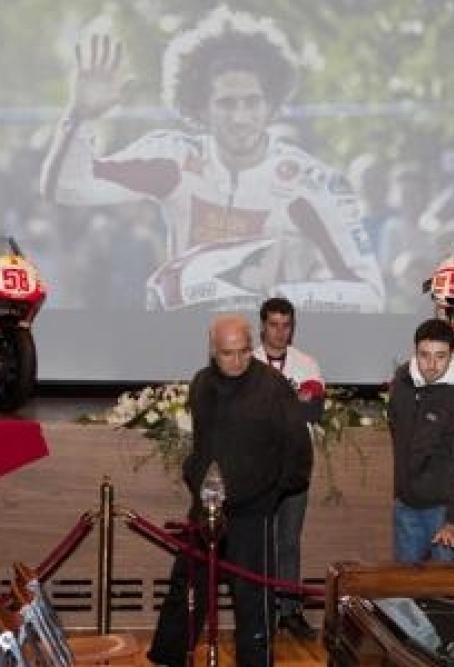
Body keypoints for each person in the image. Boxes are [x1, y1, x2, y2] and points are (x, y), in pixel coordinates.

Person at [40, 6, 384, 313]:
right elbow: (67, 188)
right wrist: (81, 116)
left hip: (269, 348)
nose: (240, 117)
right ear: (200, 108)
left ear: (271, 105)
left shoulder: (310, 182)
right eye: (226, 103)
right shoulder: (173, 160)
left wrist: (276, 298)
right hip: (183, 342)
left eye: (252, 102)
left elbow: (369, 293)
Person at [147, 314, 311, 667]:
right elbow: (202, 442)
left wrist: (272, 494)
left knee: (252, 597)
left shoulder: (273, 387)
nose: (237, 360)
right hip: (206, 507)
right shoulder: (202, 383)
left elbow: (298, 449)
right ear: (213, 352)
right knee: (187, 586)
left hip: (254, 512)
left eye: (244, 351)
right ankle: (169, 657)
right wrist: (194, 476)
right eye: (227, 353)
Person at [388, 318, 454, 562]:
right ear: (415, 352)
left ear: (453, 355)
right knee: (403, 584)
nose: (431, 365)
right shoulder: (401, 385)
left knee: (446, 585)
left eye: (440, 356)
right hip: (406, 506)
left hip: (446, 512)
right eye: (424, 355)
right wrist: (401, 494)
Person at [253, 297, 323, 640]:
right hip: (256, 470)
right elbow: (248, 414)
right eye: (273, 325)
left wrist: (274, 407)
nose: (280, 332)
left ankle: (290, 611)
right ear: (262, 326)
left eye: (286, 325)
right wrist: (293, 402)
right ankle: (262, 612)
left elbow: (313, 411)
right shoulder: (247, 362)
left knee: (289, 542)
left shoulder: (307, 363)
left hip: (295, 467)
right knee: (259, 543)